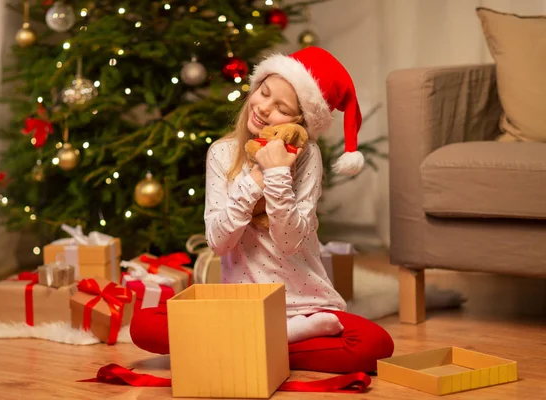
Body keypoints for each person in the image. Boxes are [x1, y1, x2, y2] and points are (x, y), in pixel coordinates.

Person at [130, 46, 394, 374]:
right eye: (263, 92)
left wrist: (279, 174)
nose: (264, 108)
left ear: (299, 122)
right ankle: (277, 341)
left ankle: (243, 345)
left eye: (281, 107)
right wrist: (255, 178)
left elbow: (289, 242)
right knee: (143, 324)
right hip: (242, 307)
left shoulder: (308, 156)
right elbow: (218, 242)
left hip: (304, 307)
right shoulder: (222, 154)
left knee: (375, 344)